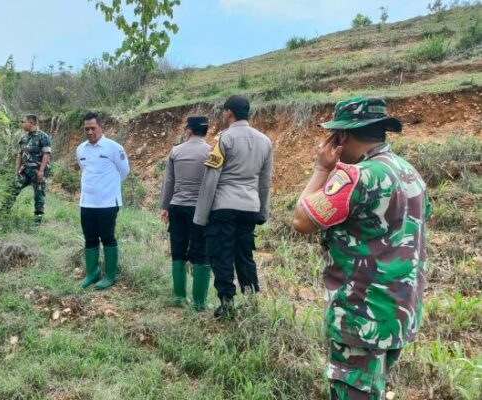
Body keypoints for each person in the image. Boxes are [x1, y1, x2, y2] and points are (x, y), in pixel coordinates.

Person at [292, 97, 430, 400]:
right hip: (398, 312)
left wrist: (320, 168)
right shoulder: (410, 174)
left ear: (341, 136)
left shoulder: (356, 176)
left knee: (353, 392)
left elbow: (302, 220)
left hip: (361, 315)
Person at [193, 95, 273, 319]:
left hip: (224, 206)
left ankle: (227, 302)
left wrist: (200, 216)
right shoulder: (265, 141)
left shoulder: (224, 139)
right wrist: (262, 212)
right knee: (244, 254)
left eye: (224, 112)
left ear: (229, 113)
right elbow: (265, 182)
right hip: (249, 206)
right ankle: (251, 301)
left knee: (221, 254)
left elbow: (211, 178)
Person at [159, 116, 213, 310]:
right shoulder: (212, 152)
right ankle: (199, 303)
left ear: (189, 131)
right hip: (201, 209)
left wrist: (165, 207)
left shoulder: (176, 151)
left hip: (178, 207)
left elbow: (168, 183)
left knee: (178, 251)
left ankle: (179, 298)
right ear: (205, 131)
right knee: (202, 253)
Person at [77, 112, 130, 290]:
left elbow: (124, 171)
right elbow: (84, 168)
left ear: (101, 128)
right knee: (89, 238)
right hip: (87, 203)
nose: (90, 132)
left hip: (107, 203)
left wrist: (108, 187)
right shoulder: (81, 149)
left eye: (93, 128)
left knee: (107, 237)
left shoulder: (114, 148)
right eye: (86, 129)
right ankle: (92, 273)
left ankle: (110, 275)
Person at [0, 114, 52, 224]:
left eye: (23, 122)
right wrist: (17, 170)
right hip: (25, 171)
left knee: (39, 197)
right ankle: (2, 213)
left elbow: (46, 155)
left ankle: (37, 220)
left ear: (31, 123)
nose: (22, 124)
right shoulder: (24, 138)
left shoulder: (43, 137)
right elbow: (20, 155)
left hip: (38, 172)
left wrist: (41, 171)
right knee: (12, 189)